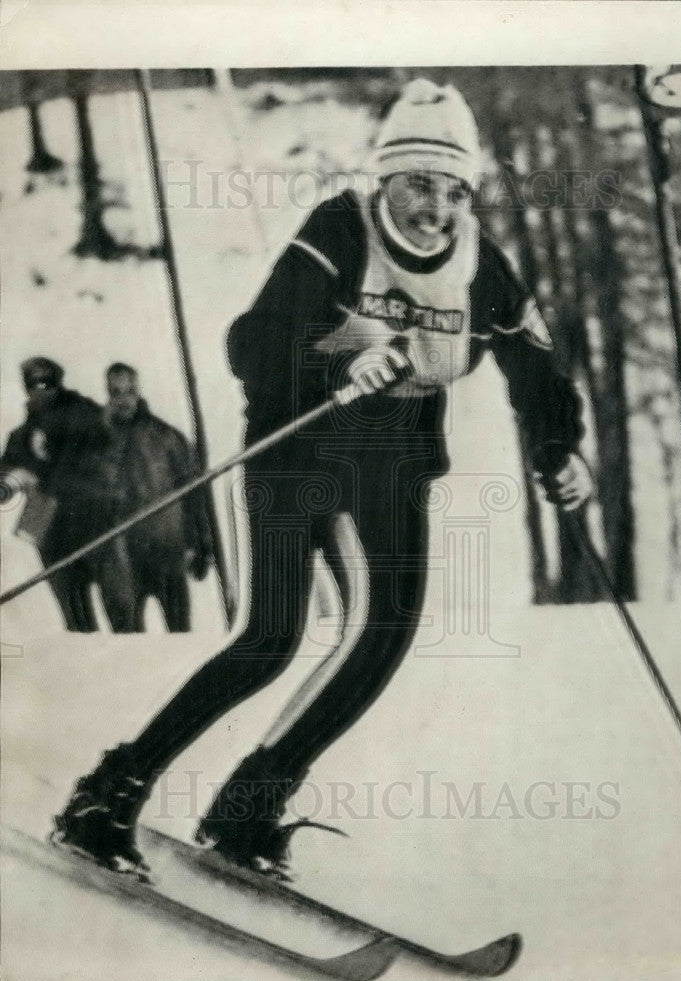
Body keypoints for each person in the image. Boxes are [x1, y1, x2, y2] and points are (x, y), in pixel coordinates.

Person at [52, 79, 593, 879]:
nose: (434, 209)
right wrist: (338, 354)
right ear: (384, 179)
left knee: (384, 636)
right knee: (272, 640)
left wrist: (559, 446)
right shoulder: (339, 230)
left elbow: (536, 366)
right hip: (297, 452)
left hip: (395, 466)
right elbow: (251, 343)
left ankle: (246, 810)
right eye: (416, 184)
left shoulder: (482, 264)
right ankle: (110, 793)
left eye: (451, 190)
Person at [92, 363, 215, 632]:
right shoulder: (97, 443)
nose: (124, 399)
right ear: (108, 394)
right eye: (116, 392)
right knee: (126, 642)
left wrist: (204, 545)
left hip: (166, 551)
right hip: (122, 558)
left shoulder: (166, 438)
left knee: (180, 635)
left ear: (138, 392)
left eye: (129, 391)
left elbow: (195, 494)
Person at [0, 356, 110, 631]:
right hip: (50, 528)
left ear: (58, 383)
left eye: (48, 383)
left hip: (91, 519)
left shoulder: (84, 413)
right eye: (33, 384)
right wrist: (14, 479)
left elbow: (108, 448)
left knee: (116, 603)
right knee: (74, 612)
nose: (41, 390)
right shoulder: (24, 434)